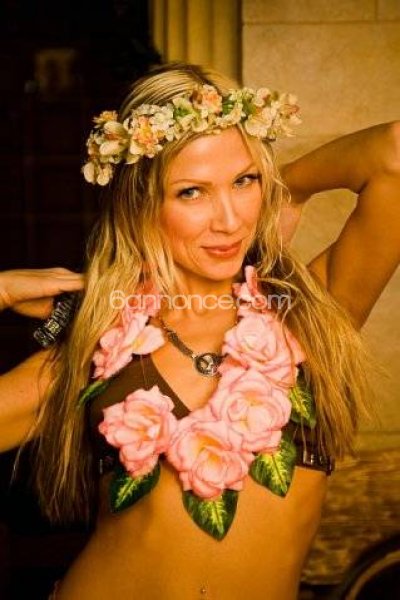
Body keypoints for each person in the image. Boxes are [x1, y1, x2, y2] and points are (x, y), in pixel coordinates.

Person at [0, 62, 399, 600]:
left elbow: (394, 154)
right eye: (191, 192)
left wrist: (287, 190)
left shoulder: (310, 316)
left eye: (244, 181)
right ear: (142, 205)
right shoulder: (98, 349)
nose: (229, 220)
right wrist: (1, 290)